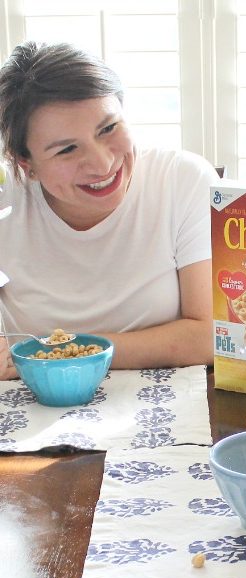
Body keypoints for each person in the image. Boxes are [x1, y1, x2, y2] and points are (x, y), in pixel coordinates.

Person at [0, 41, 220, 380]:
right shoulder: (5, 201)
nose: (102, 164)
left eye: (108, 129)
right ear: (26, 164)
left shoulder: (182, 180)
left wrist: (55, 352)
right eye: (67, 150)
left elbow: (209, 335)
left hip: (169, 401)